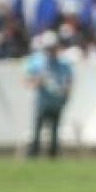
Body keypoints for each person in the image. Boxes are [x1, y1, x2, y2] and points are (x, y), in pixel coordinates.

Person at [25, 30, 73, 158]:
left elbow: (69, 82)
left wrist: (65, 97)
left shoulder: (64, 63)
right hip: (43, 102)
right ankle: (34, 153)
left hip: (57, 102)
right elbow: (28, 82)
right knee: (37, 130)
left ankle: (53, 154)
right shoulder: (37, 62)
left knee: (54, 131)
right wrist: (38, 80)